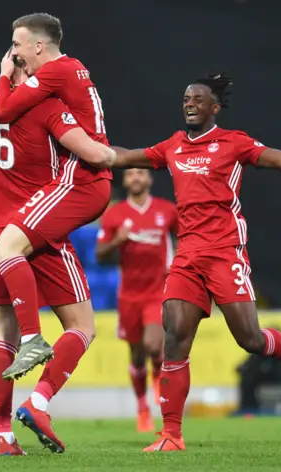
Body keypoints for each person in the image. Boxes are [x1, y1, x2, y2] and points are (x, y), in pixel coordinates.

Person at [111, 72, 281, 452]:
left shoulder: (234, 143)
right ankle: (171, 434)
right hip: (186, 255)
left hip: (224, 250)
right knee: (175, 336)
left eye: (198, 99)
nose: (190, 104)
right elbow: (121, 157)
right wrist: (78, 146)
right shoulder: (172, 146)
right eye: (186, 98)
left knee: (249, 339)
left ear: (214, 108)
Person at [0, 62, 112, 455]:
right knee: (82, 327)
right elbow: (90, 152)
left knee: (2, 335)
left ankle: (2, 436)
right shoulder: (45, 108)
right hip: (37, 231)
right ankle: (39, 393)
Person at [0, 13, 112, 376]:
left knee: (5, 248)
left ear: (38, 46)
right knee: (23, 250)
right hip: (86, 175)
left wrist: (3, 75)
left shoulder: (54, 72)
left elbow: (5, 111)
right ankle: (10, 325)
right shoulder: (74, 69)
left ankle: (30, 338)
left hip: (79, 179)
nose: (14, 53)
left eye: (17, 45)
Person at [96, 169, 177, 432]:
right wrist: (117, 241)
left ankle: (158, 375)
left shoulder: (166, 210)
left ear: (149, 179)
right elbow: (99, 254)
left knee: (154, 345)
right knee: (136, 354)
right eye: (131, 174)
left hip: (158, 289)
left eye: (141, 173)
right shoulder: (115, 214)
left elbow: (186, 237)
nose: (136, 178)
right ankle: (142, 407)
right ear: (125, 181)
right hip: (129, 294)